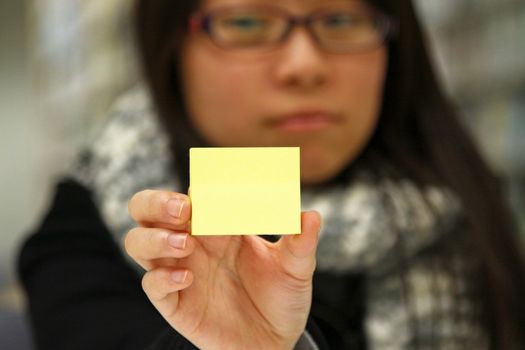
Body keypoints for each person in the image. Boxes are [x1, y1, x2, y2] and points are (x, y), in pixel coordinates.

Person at [17, 0, 525, 349]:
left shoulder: (467, 206)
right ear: (170, 48)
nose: (304, 64)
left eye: (342, 19)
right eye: (246, 23)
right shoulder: (87, 228)